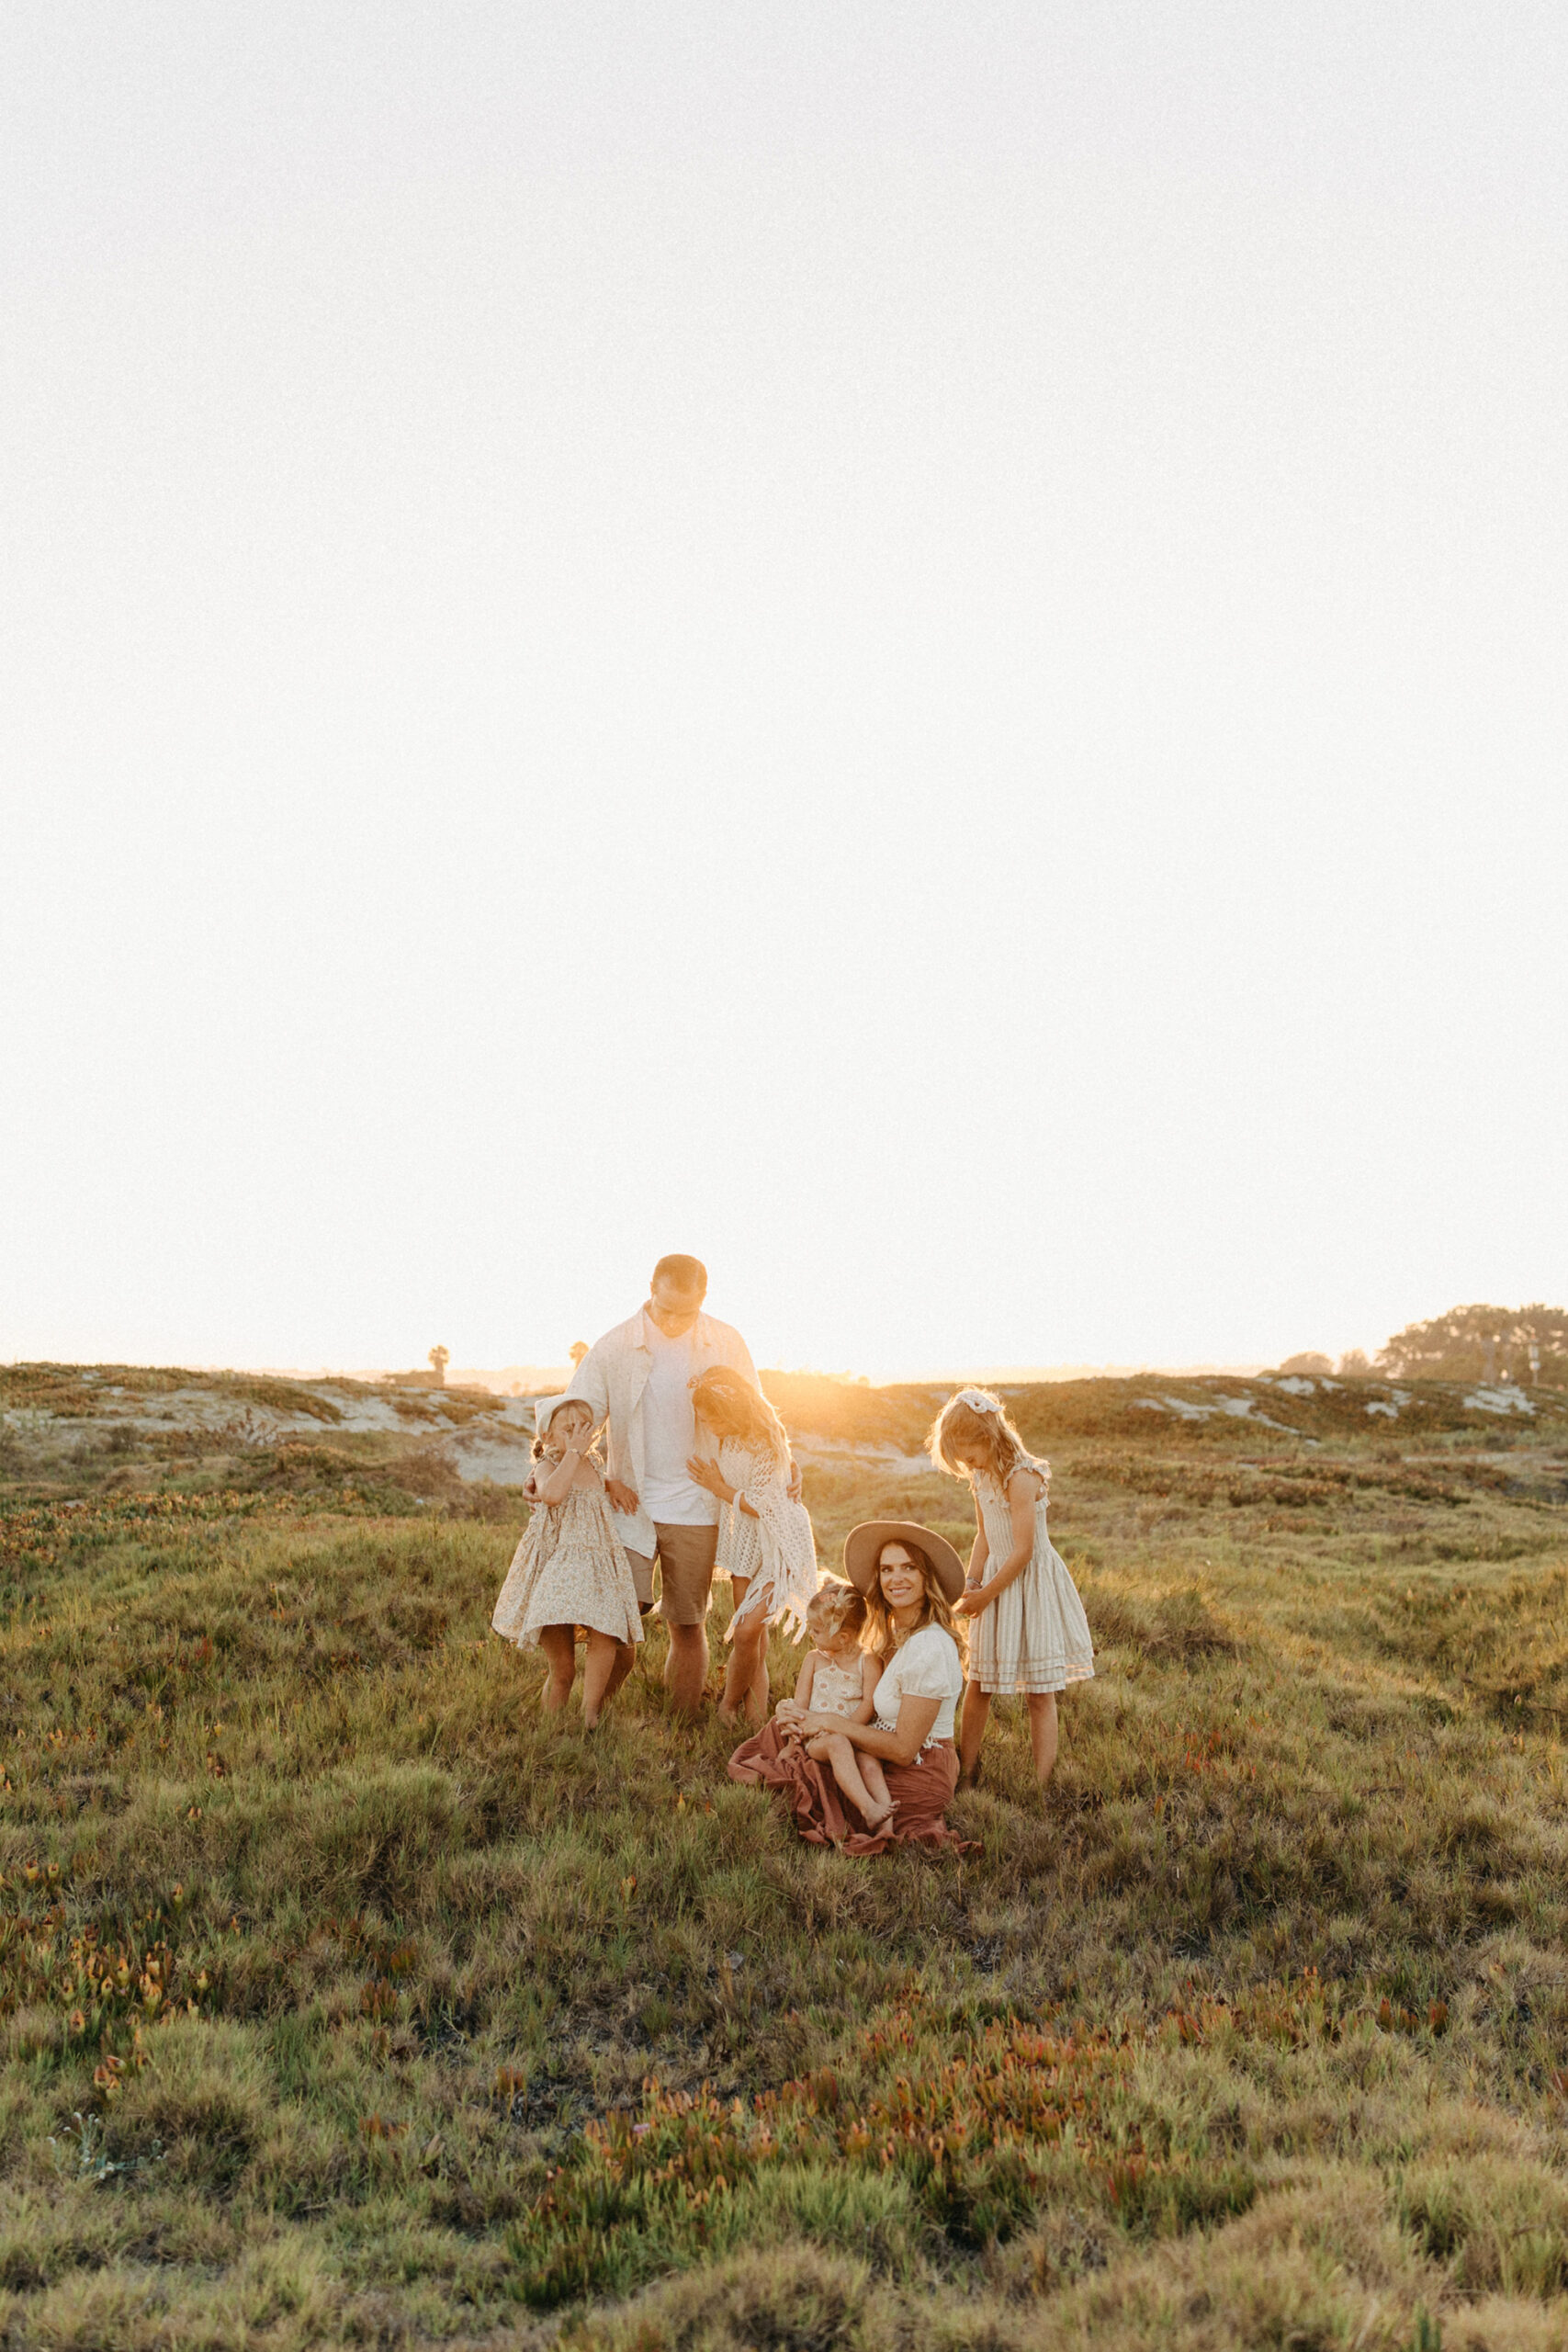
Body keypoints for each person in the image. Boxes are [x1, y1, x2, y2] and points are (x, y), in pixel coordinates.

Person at [565, 1255, 794, 1715]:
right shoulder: (614, 1346)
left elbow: (757, 1412)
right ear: (651, 1288)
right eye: (664, 1308)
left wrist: (788, 1461)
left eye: (684, 1313)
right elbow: (575, 1418)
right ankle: (593, 1719)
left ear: (703, 1299)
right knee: (614, 1622)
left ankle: (679, 1726)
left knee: (687, 1626)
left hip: (699, 1506)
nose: (672, 1321)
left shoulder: (726, 1342)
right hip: (631, 1505)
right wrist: (563, 1473)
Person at [728, 1521, 974, 1856]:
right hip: (880, 1751)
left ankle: (871, 1811)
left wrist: (829, 1722)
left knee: (814, 1773)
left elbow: (903, 1749)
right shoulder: (902, 1634)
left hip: (918, 1768)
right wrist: (797, 1711)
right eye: (886, 1569)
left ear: (926, 1577)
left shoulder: (929, 1646)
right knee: (786, 1730)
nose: (895, 1578)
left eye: (908, 1568)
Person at [929, 1386, 1094, 1790]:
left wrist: (987, 1594)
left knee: (1040, 1691)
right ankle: (966, 1773)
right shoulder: (981, 1477)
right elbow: (984, 1537)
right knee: (980, 1683)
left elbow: (1022, 1551)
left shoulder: (1022, 1476)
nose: (966, 1465)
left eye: (967, 1455)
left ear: (986, 1434)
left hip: (1029, 1583)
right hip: (994, 1583)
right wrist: (972, 1581)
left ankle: (1041, 1784)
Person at [490, 1396, 641, 1728]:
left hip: (596, 1564)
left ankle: (590, 1714)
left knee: (605, 1632)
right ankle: (551, 1727)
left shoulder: (594, 1463)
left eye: (583, 1430)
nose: (577, 1436)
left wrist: (611, 1483)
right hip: (555, 1569)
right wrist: (573, 1453)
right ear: (547, 1438)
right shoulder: (547, 1467)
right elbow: (554, 1494)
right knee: (564, 1670)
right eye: (568, 1430)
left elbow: (593, 1483)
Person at [686, 1366, 818, 1726]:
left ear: (733, 1411)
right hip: (745, 1546)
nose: (709, 1425)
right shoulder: (728, 1437)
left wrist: (719, 1487)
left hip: (778, 1544)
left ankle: (727, 1705)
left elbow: (764, 1502)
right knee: (753, 1642)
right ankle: (756, 1723)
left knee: (745, 1631)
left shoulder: (766, 1438)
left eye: (713, 1418)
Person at [773, 1579, 892, 1830]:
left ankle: (887, 1827)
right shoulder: (813, 1660)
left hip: (856, 1733)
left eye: (816, 1630)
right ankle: (868, 1809)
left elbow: (868, 1705)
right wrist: (791, 1744)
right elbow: (800, 1706)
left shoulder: (868, 1661)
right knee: (837, 1744)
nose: (811, 1634)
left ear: (842, 1638)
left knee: (870, 1765)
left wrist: (849, 1730)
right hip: (819, 1738)